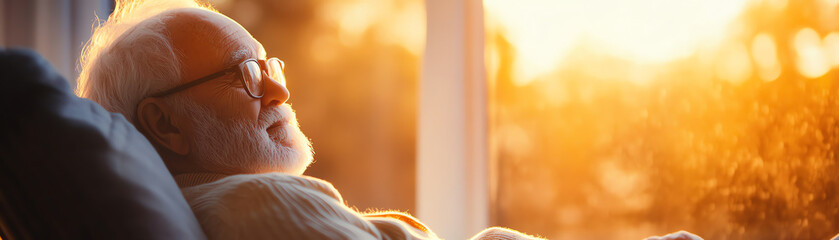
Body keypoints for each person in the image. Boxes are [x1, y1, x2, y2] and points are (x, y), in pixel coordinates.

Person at [76, 0, 703, 239]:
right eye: (246, 75)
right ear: (166, 125)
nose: (278, 92)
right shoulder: (255, 206)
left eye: (274, 68)